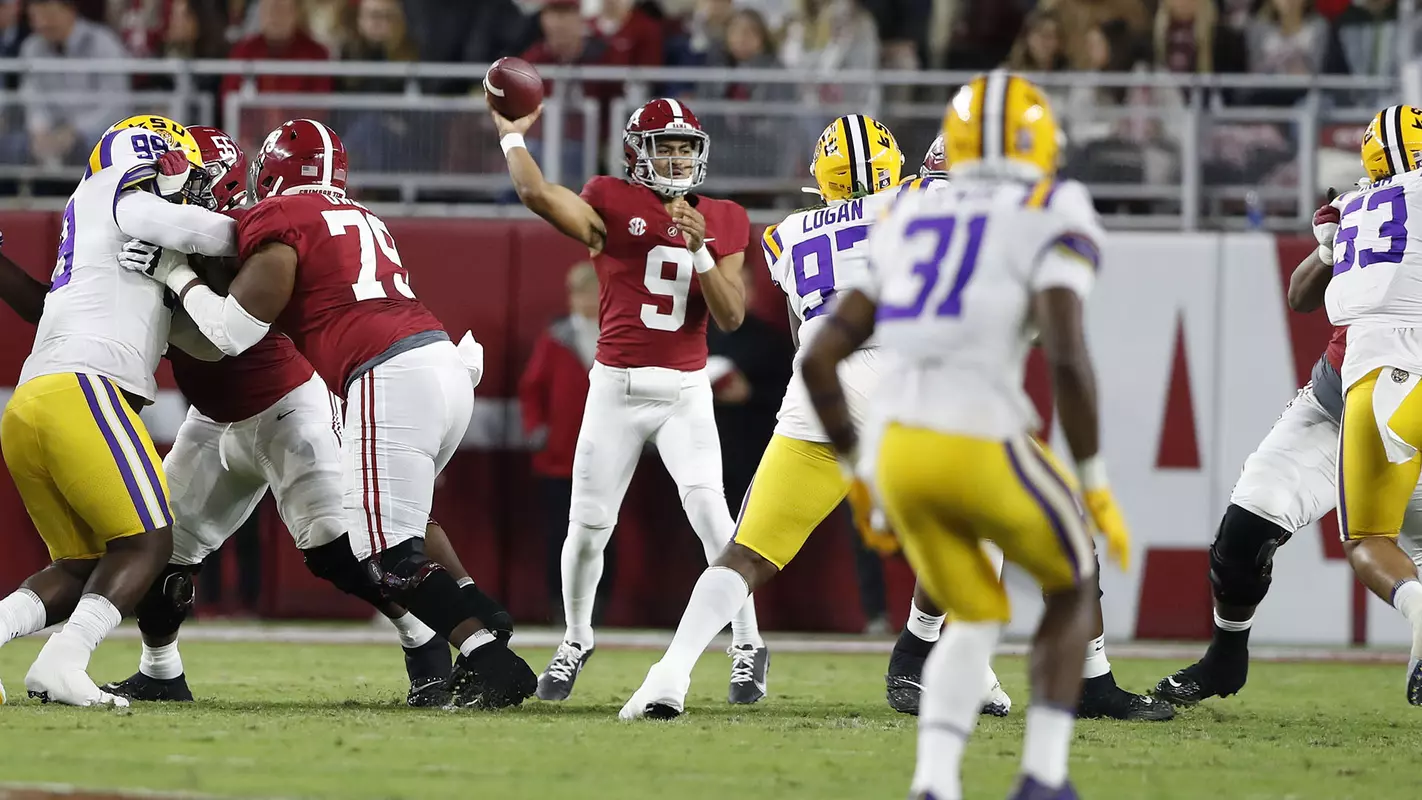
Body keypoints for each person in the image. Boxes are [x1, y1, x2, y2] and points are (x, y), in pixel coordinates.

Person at [125, 118, 538, 710]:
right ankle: (485, 623)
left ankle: (484, 658)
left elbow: (230, 330)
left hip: (369, 379)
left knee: (381, 552)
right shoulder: (356, 217)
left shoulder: (271, 220)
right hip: (427, 363)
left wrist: (175, 271)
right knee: (397, 533)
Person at [800, 71, 1133, 798]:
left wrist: (859, 469)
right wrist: (1097, 481)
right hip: (979, 434)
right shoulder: (1054, 204)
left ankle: (935, 781)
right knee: (1073, 581)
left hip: (899, 449)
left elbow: (819, 354)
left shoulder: (904, 213)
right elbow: (1069, 359)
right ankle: (1044, 774)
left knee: (976, 607)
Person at [619, 114, 992, 719]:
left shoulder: (788, 233)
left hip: (817, 387)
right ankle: (934, 653)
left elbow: (799, 332)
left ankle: (668, 675)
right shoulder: (924, 195)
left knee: (748, 553)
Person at [493, 97, 767, 703]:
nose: (676, 158)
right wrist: (513, 138)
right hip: (614, 387)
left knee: (712, 517)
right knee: (588, 526)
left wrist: (699, 248)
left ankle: (747, 643)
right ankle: (576, 638)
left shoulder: (723, 216)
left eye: (685, 147)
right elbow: (538, 195)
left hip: (685, 390)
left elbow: (731, 313)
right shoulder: (611, 200)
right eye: (664, 147)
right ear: (637, 154)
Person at [0, 115, 236, 706]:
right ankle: (64, 661)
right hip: (87, 390)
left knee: (81, 564)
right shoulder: (118, 193)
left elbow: (209, 339)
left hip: (34, 402)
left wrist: (182, 278)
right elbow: (205, 232)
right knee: (149, 544)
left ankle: (46, 653)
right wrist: (262, 230)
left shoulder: (103, 244)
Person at [1154, 190, 1422, 705]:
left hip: (1402, 420)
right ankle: (1226, 658)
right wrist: (1327, 249)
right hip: (1335, 405)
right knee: (1243, 534)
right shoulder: (1366, 207)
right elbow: (1300, 296)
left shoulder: (1370, 202)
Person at [1317, 105, 1422, 705]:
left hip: (1372, 371)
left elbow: (1304, 293)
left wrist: (1326, 244)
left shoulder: (1352, 206)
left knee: (1368, 540)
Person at [519, 263, 601, 622]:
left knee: (600, 536)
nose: (587, 301)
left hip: (604, 459)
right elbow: (532, 388)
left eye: (594, 292)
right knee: (560, 536)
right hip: (559, 458)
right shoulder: (556, 338)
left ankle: (597, 609)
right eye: (581, 293)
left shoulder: (617, 336)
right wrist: (539, 431)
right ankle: (560, 608)